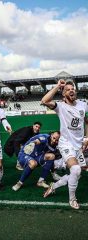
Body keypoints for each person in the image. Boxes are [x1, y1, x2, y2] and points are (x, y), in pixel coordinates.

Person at [42, 79, 88, 210]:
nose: (71, 90)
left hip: (78, 146)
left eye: (72, 88)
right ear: (63, 94)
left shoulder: (83, 105)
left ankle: (54, 186)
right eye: (67, 89)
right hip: (65, 144)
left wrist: (87, 138)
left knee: (77, 175)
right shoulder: (60, 107)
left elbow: (86, 121)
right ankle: (72, 199)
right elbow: (44, 101)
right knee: (76, 169)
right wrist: (57, 86)